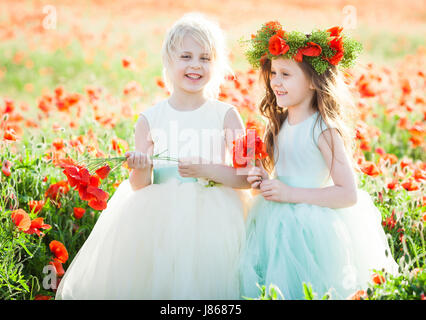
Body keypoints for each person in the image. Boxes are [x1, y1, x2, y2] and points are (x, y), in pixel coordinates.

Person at [56, 13, 250, 300]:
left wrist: (207, 169)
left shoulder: (226, 115)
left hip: (217, 217)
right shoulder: (151, 118)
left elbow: (246, 178)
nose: (195, 65)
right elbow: (139, 184)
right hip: (159, 218)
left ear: (217, 65)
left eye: (205, 58)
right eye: (186, 56)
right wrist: (140, 167)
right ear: (168, 62)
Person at [239, 21, 399, 300]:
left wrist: (289, 193)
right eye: (273, 73)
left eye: (286, 74)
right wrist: (264, 182)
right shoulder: (278, 124)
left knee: (311, 287)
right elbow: (284, 175)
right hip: (274, 222)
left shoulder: (322, 130)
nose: (275, 81)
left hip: (312, 226)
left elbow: (348, 194)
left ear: (313, 81)